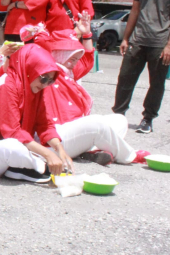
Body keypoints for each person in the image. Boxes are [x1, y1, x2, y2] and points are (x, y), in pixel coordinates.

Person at [35, 25, 143, 165]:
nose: (74, 63)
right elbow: (38, 49)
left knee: (119, 120)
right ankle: (130, 156)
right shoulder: (47, 72)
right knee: (96, 124)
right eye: (71, 58)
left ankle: (91, 151)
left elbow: (86, 61)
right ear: (59, 54)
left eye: (75, 59)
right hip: (52, 138)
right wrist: (41, 35)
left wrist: (86, 35)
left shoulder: (67, 72)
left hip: (69, 130)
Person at [0, 44, 73, 182]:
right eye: (44, 78)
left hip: (20, 143)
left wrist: (60, 149)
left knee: (59, 139)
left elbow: (45, 125)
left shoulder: (36, 86)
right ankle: (44, 167)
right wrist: (48, 154)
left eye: (50, 81)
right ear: (30, 69)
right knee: (13, 147)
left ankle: (22, 167)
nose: (45, 84)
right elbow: (13, 132)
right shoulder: (5, 85)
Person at [112, 0, 170, 134]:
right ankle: (118, 115)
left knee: (156, 83)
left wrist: (169, 45)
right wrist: (126, 38)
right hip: (138, 39)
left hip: (160, 42)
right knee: (125, 78)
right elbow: (135, 11)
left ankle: (148, 119)